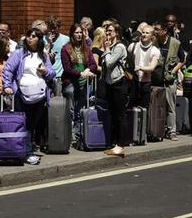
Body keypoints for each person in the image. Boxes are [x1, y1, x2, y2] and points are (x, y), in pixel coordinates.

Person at [2, 28, 56, 165]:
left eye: (33, 36)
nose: (29, 38)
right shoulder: (19, 54)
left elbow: (52, 73)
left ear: (39, 39)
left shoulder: (43, 55)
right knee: (24, 123)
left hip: (39, 95)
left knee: (33, 124)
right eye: (28, 36)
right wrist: (7, 85)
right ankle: (27, 152)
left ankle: (28, 149)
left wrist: (45, 71)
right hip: (22, 94)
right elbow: (8, 69)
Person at [60, 24, 97, 137]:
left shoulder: (85, 48)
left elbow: (93, 65)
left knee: (80, 109)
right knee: (71, 108)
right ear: (72, 34)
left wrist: (87, 70)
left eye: (80, 32)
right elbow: (67, 69)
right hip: (70, 82)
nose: (79, 35)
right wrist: (81, 73)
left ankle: (78, 132)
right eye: (76, 32)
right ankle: (69, 133)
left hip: (83, 83)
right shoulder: (66, 48)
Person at [152, 22, 185, 141]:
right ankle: (157, 130)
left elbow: (182, 59)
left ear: (164, 31)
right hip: (156, 79)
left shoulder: (175, 43)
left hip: (169, 80)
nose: (154, 31)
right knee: (157, 107)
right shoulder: (153, 43)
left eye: (157, 29)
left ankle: (172, 131)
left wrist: (174, 71)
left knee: (170, 107)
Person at [101, 23, 129, 157]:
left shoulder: (120, 47)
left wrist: (106, 50)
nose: (107, 33)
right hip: (110, 84)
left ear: (117, 33)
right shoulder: (111, 47)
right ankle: (114, 144)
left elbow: (110, 62)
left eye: (110, 31)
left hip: (119, 84)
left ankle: (121, 145)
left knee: (120, 115)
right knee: (113, 114)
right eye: (106, 31)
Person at [127, 24, 160, 109]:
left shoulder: (155, 51)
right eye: (143, 32)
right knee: (131, 108)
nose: (144, 34)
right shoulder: (132, 46)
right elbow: (127, 62)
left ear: (152, 36)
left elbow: (152, 68)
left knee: (144, 108)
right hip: (133, 81)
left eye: (147, 33)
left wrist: (140, 68)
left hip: (146, 82)